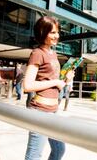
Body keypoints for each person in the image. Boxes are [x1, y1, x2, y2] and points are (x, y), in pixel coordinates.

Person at [23, 16, 74, 160]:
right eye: (52, 32)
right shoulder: (37, 53)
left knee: (59, 150)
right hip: (40, 111)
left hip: (53, 110)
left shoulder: (53, 53)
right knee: (33, 155)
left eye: (57, 32)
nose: (56, 36)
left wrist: (65, 79)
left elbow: (53, 80)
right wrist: (55, 82)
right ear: (42, 32)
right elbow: (28, 85)